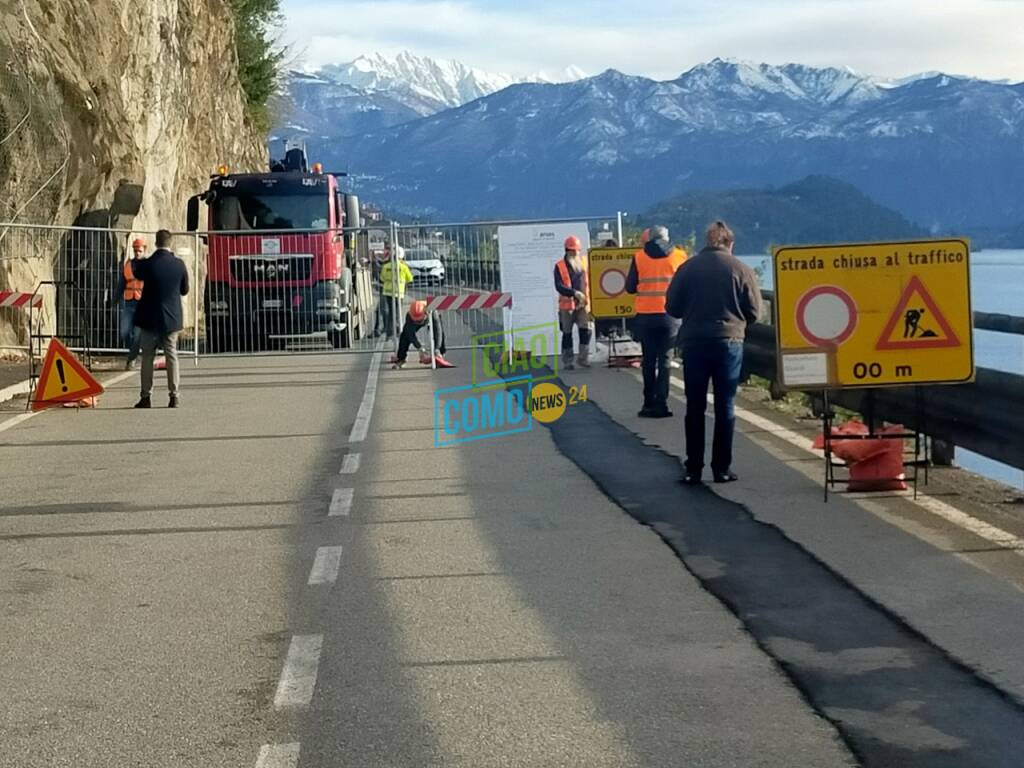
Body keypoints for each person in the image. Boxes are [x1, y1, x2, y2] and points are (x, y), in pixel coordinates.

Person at [666, 220, 761, 484]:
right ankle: (721, 468)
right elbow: (755, 312)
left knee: (694, 406)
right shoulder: (741, 269)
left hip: (695, 343)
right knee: (725, 406)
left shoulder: (687, 268)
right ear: (730, 243)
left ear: (706, 242)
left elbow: (672, 307)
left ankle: (693, 468)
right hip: (728, 343)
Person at [625, 225, 686, 418]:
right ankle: (661, 404)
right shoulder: (679, 256)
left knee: (649, 361)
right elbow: (687, 285)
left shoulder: (639, 257)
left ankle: (647, 403)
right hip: (670, 317)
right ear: (667, 238)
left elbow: (630, 288)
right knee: (665, 361)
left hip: (646, 317)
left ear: (649, 238)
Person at [132, 230, 189, 409]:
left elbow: (137, 273)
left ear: (156, 243)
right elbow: (184, 290)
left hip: (149, 318)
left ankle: (146, 396)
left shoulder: (148, 264)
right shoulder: (179, 265)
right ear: (170, 243)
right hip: (171, 319)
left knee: (147, 357)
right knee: (171, 355)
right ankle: (174, 396)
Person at [553, 235, 591, 369]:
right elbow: (559, 286)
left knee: (585, 331)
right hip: (567, 306)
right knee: (567, 333)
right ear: (567, 250)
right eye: (572, 250)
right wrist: (574, 293)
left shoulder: (584, 262)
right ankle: (568, 361)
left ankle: (583, 358)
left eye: (577, 250)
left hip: (583, 304)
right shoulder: (559, 266)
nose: (575, 253)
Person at [390, 300, 455, 369]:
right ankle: (401, 358)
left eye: (420, 320)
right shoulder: (409, 316)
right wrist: (420, 348)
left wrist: (437, 348)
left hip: (431, 317)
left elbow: (437, 332)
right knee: (405, 335)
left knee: (441, 333)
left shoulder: (433, 313)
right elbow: (411, 335)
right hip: (417, 319)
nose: (418, 322)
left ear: (426, 313)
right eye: (416, 321)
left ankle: (440, 355)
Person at [117, 238, 146, 370]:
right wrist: (115, 299)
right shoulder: (128, 265)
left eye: (139, 250)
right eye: (135, 250)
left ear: (144, 250)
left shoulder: (147, 266)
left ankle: (132, 359)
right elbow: (122, 283)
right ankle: (133, 352)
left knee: (137, 334)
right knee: (124, 332)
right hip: (129, 302)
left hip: (142, 303)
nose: (137, 253)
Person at [378, 242, 412, 339]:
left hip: (387, 292)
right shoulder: (404, 267)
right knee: (396, 312)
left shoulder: (386, 266)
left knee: (390, 312)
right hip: (399, 293)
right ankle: (396, 331)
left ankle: (390, 332)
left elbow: (382, 278)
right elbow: (410, 278)